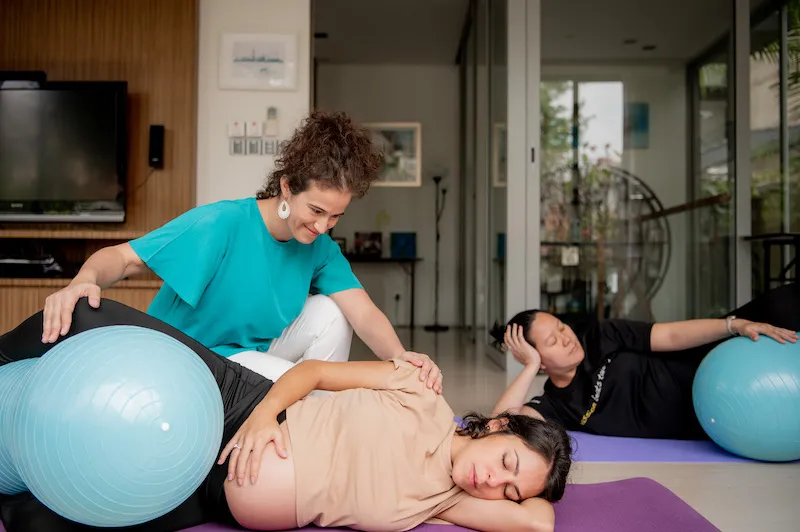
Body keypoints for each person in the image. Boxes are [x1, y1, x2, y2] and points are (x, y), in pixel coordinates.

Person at [0, 298, 573, 532]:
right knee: (84, 313)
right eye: (504, 463)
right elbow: (313, 375)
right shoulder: (422, 394)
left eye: (509, 490)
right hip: (239, 405)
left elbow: (540, 522)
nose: (494, 483)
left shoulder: (445, 501)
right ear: (495, 426)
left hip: (211, 496)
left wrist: (524, 478)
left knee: (34, 523)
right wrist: (264, 418)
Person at [37, 111, 443, 392]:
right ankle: (308, 418)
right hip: (187, 358)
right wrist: (82, 281)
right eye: (316, 211)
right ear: (287, 187)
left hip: (249, 354)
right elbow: (124, 257)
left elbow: (363, 312)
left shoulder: (318, 247)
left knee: (332, 314)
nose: (322, 227)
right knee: (295, 384)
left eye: (335, 217)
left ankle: (319, 426)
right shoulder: (222, 224)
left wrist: (402, 357)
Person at [492, 283, 800, 440]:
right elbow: (498, 426)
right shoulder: (554, 406)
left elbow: (671, 336)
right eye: (551, 342)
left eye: (561, 326)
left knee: (782, 304)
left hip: (706, 364)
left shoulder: (602, 335)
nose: (566, 337)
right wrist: (529, 367)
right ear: (539, 360)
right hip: (711, 417)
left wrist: (733, 325)